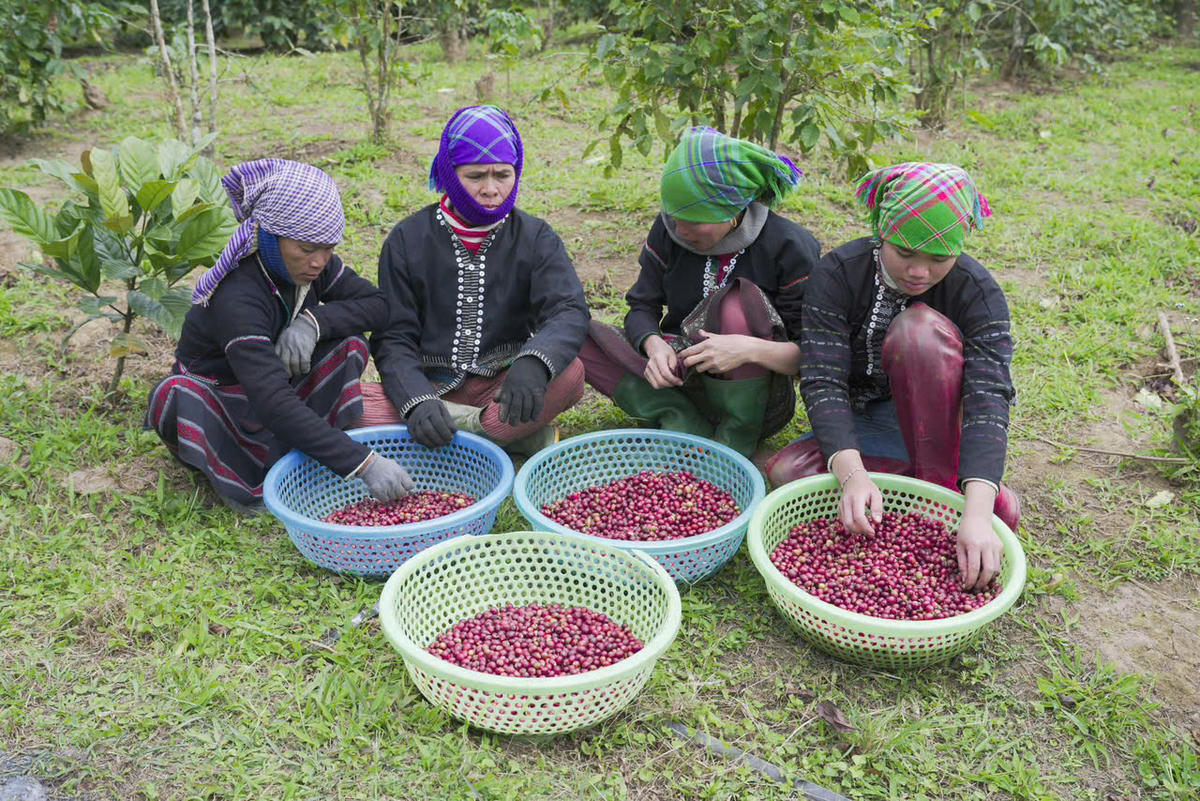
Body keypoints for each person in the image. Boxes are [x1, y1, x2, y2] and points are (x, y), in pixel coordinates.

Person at [766, 161, 1020, 591]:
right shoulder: (839, 273)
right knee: (787, 472)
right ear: (881, 234)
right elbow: (823, 379)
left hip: (935, 423)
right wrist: (852, 476)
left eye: (939, 258)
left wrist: (976, 516)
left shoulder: (976, 291)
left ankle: (953, 490)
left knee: (917, 333)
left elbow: (986, 400)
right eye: (904, 253)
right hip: (863, 420)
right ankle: (923, 490)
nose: (919, 271)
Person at [146, 159, 413, 512]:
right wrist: (363, 464)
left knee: (349, 345)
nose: (319, 262)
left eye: (328, 248)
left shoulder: (312, 265)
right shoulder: (238, 295)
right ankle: (247, 475)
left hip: (274, 385)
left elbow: (379, 306)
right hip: (226, 400)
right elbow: (272, 401)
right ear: (270, 236)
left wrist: (313, 322)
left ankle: (303, 446)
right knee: (176, 395)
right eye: (306, 249)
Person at [577, 126, 820, 456]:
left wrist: (748, 350)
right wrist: (654, 346)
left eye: (694, 220)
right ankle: (682, 422)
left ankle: (734, 443)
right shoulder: (670, 231)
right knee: (577, 334)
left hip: (757, 396)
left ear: (733, 210)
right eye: (674, 216)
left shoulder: (789, 248)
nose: (680, 230)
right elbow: (641, 306)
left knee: (736, 302)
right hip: (682, 378)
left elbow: (814, 354)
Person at [362, 105, 589, 454]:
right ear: (450, 174)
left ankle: (457, 436)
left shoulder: (536, 236)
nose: (490, 189)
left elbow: (568, 309)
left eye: (502, 174)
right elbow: (393, 336)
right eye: (475, 176)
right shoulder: (406, 240)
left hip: (503, 385)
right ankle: (501, 434)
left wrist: (534, 362)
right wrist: (416, 401)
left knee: (570, 375)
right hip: (430, 388)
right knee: (348, 401)